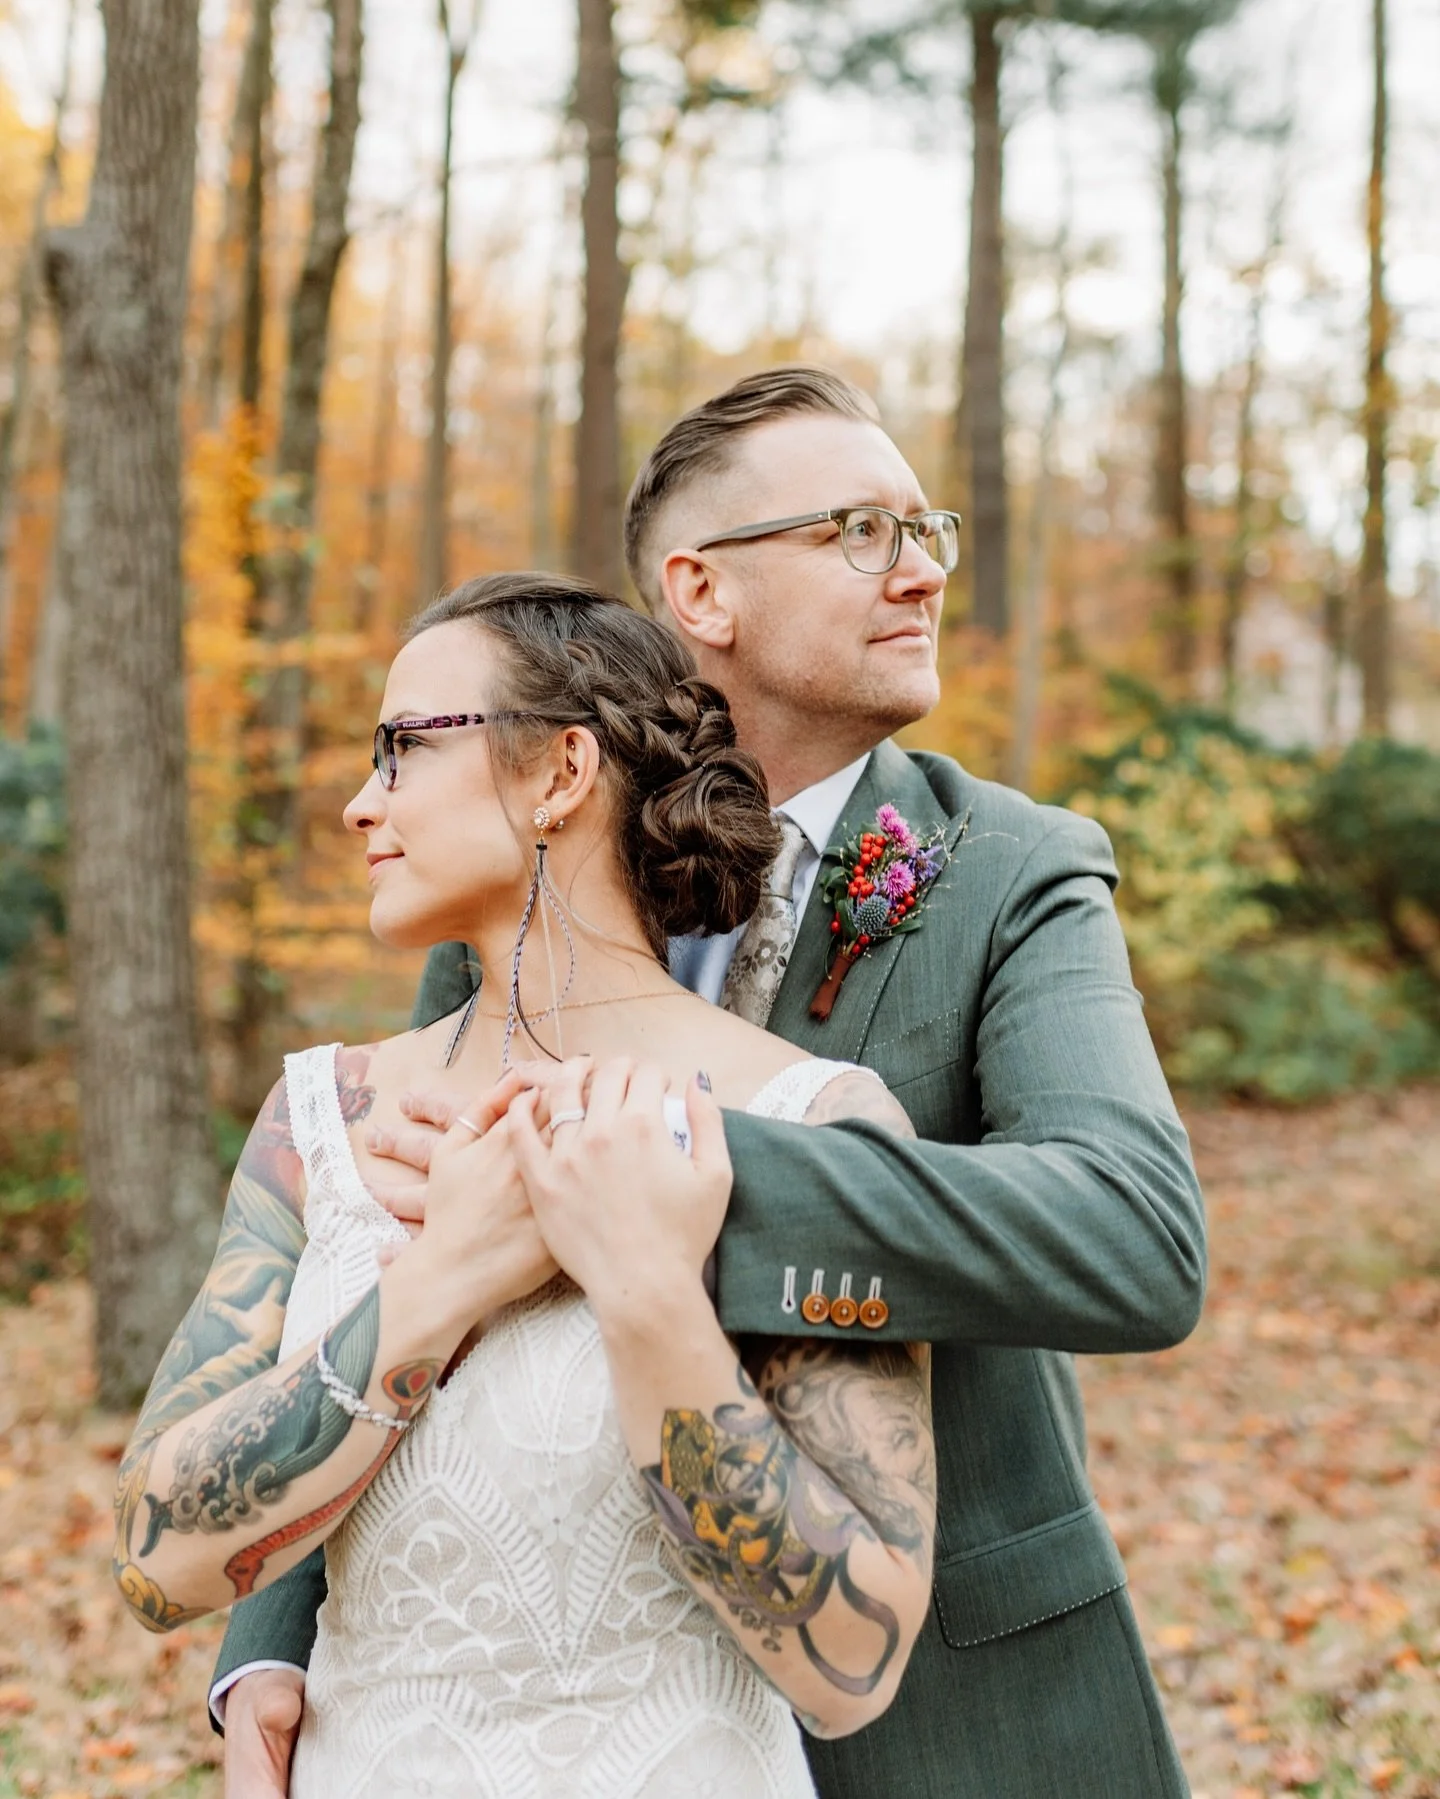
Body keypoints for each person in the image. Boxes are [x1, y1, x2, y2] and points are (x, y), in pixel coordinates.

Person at [213, 366, 1205, 1797]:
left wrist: (672, 1167)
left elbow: (1137, 1237)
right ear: (702, 589)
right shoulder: (522, 873)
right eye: (861, 530)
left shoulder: (1009, 870)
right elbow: (379, 1270)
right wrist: (271, 1639)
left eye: (929, 529)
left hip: (953, 1710)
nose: (920, 569)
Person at [115, 573, 939, 1796]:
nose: (358, 803)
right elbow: (153, 1557)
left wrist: (643, 1286)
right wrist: (451, 1274)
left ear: (559, 774)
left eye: (402, 749)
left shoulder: (813, 1121)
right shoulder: (321, 1119)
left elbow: (851, 1659)